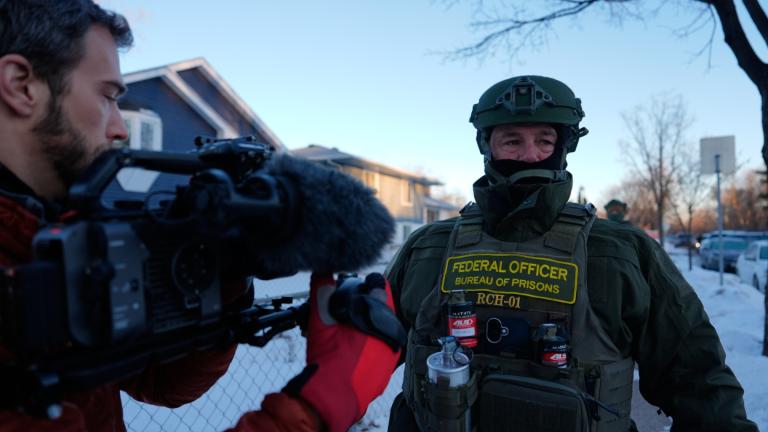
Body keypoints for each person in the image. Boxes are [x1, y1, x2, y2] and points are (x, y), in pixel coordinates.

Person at [0, 1, 399, 431]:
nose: (120, 129)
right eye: (109, 97)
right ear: (22, 85)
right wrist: (320, 405)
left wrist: (221, 274)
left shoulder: (47, 234)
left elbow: (162, 381)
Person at [386, 75, 756, 431]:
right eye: (512, 141)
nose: (529, 156)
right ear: (488, 147)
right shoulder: (429, 248)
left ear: (563, 148)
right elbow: (362, 352)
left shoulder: (620, 253)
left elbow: (697, 376)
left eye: (544, 141)